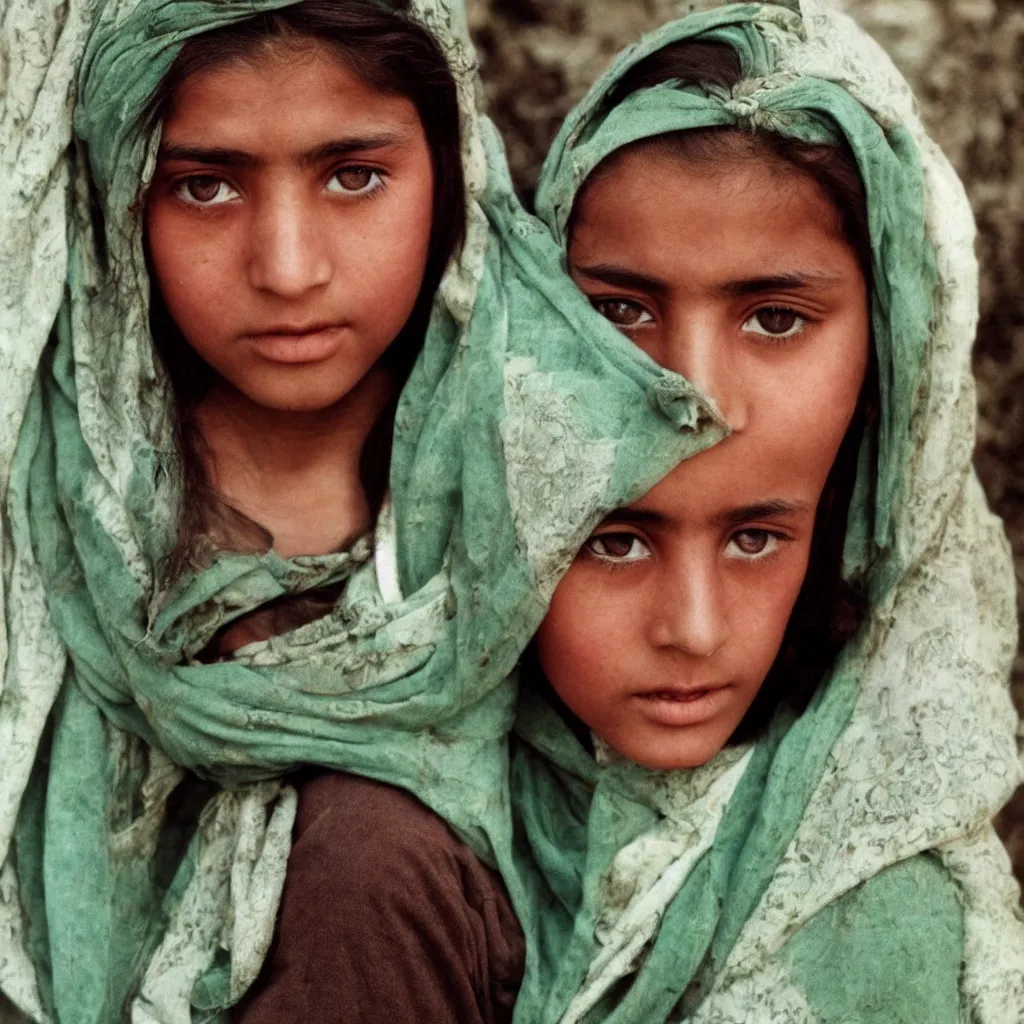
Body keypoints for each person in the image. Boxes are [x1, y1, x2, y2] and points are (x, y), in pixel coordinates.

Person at [0, 1, 724, 1020]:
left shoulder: (569, 470)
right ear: (119, 196)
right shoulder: (49, 517)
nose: (288, 268)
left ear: (451, 166)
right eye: (204, 186)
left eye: (354, 176)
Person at [505, 3, 1024, 1022]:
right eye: (621, 308)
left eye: (773, 317)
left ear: (893, 351)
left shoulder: (891, 923)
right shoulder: (411, 791)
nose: (691, 395)